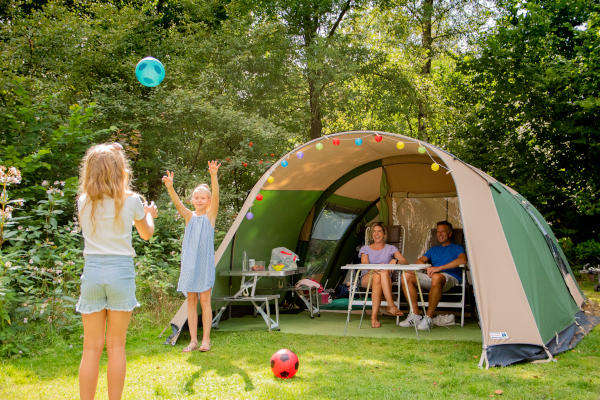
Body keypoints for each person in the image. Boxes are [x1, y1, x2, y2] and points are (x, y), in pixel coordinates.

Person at [76, 143, 158, 400]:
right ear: (119, 170)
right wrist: (150, 214)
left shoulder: (82, 201)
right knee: (116, 346)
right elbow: (146, 234)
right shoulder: (132, 200)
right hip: (120, 271)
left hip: (92, 270)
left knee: (90, 348)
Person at [162, 161, 220, 352]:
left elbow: (217, 196)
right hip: (189, 266)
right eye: (197, 197)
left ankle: (206, 340)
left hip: (204, 266)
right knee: (191, 301)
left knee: (205, 302)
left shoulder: (210, 216)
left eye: (204, 198)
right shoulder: (189, 217)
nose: (200, 200)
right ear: (192, 200)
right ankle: (193, 340)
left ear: (209, 201)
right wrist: (170, 187)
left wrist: (213, 176)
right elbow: (178, 204)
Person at [399, 220, 467, 330]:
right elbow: (421, 260)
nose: (439, 234)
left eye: (443, 232)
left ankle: (428, 318)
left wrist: (439, 268)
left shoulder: (457, 248)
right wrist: (419, 268)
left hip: (450, 277)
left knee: (436, 276)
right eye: (438, 232)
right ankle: (415, 315)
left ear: (450, 234)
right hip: (433, 277)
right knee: (406, 275)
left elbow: (463, 260)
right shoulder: (434, 249)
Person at [358, 222, 408, 328]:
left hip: (384, 279)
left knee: (381, 275)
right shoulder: (365, 248)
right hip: (368, 277)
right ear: (372, 234)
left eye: (379, 231)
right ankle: (391, 305)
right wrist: (376, 268)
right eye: (374, 232)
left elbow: (405, 262)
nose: (376, 234)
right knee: (379, 274)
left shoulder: (391, 248)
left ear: (384, 234)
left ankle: (374, 317)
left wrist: (395, 260)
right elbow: (365, 265)